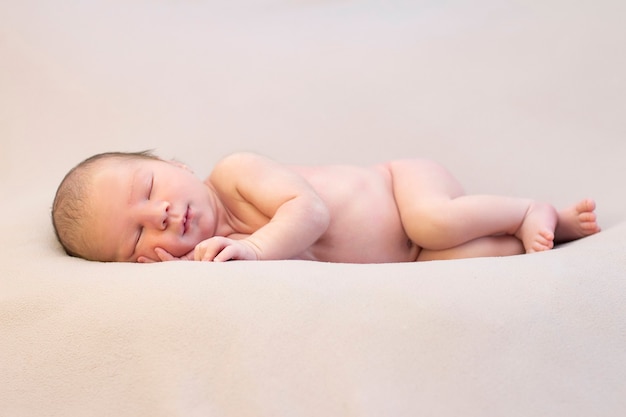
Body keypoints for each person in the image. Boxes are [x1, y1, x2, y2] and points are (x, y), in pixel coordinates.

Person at [51, 151, 601, 263]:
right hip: (407, 259)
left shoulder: (235, 175)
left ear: (177, 163)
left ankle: (530, 207)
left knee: (435, 222)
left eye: (149, 189)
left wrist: (255, 248)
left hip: (402, 189)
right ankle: (557, 234)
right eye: (136, 237)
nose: (161, 215)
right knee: (467, 259)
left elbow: (308, 213)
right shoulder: (221, 258)